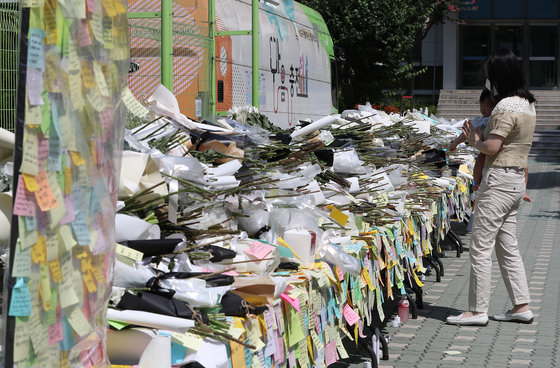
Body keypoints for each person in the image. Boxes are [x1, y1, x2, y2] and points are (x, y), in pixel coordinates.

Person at [446, 49, 535, 326]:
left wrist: (473, 140)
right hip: (516, 181)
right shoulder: (528, 105)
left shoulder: (505, 106)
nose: (488, 82)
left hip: (498, 181)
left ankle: (477, 310)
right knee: (508, 247)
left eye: (490, 76)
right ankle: (521, 306)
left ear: (499, 76)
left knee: (480, 246)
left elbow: (491, 146)